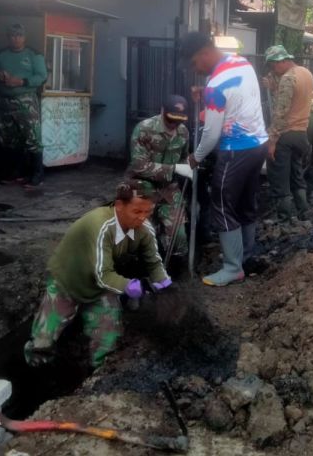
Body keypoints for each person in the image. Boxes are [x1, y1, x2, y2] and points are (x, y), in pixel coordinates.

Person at [23, 180, 171, 367]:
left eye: (147, 212)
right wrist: (128, 286)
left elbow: (153, 261)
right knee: (42, 342)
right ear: (119, 205)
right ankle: (36, 370)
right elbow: (103, 275)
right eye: (136, 212)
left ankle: (98, 376)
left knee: (107, 340)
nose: (142, 218)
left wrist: (163, 282)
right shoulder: (100, 226)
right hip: (67, 282)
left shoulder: (143, 229)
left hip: (100, 289)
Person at [182, 32, 269, 287]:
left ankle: (232, 268)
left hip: (235, 150)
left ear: (205, 53)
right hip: (258, 144)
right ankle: (245, 256)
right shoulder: (241, 63)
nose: (196, 70)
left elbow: (211, 134)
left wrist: (196, 157)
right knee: (245, 202)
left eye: (195, 63)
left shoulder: (215, 85)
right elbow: (234, 95)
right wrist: (206, 93)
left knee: (221, 203)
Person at [126, 95, 193, 266]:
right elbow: (139, 166)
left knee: (179, 236)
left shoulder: (183, 133)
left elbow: (184, 158)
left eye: (179, 120)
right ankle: (140, 266)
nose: (174, 124)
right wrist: (174, 169)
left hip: (169, 188)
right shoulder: (144, 129)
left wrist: (189, 165)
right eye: (171, 119)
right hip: (142, 185)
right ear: (162, 111)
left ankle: (175, 268)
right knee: (142, 235)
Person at [0, 23, 48, 188]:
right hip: (4, 101)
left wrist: (21, 81)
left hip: (25, 100)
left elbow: (42, 76)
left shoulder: (34, 54)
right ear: (8, 37)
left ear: (24, 37)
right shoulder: (1, 54)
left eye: (19, 35)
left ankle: (37, 175)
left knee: (32, 137)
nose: (16, 39)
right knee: (10, 139)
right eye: (13, 36)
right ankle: (16, 173)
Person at [263, 45, 313, 220]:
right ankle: (303, 212)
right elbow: (296, 100)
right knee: (296, 175)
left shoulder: (287, 79)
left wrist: (272, 141)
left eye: (273, 65)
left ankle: (284, 219)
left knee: (279, 179)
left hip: (285, 135)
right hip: (301, 134)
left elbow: (281, 113)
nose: (273, 69)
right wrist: (273, 86)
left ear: (282, 61)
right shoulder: (305, 73)